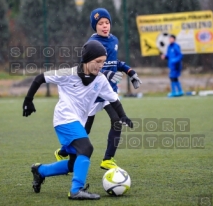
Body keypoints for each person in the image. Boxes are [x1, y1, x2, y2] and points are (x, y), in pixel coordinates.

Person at [22, 40, 133, 200]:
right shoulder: (68, 74)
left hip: (77, 123)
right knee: (86, 148)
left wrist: (123, 116)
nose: (101, 65)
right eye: (98, 62)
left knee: (73, 164)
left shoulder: (100, 79)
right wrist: (28, 100)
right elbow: (40, 78)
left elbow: (113, 99)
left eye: (103, 62)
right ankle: (76, 190)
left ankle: (40, 171)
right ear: (87, 60)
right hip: (64, 119)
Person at [54, 8, 142, 170]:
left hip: (109, 92)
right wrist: (107, 74)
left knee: (117, 121)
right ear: (95, 26)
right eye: (100, 23)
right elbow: (86, 67)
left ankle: (107, 159)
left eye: (107, 22)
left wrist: (131, 72)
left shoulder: (114, 40)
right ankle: (65, 151)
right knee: (85, 129)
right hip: (93, 93)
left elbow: (115, 63)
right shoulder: (91, 44)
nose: (104, 26)